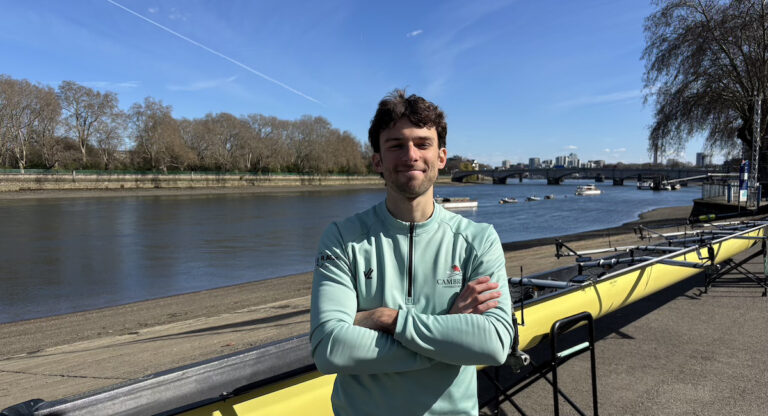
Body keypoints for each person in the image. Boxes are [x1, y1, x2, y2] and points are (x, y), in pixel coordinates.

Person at [310, 89, 513, 415]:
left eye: (422, 143)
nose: (410, 155)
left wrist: (385, 319)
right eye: (395, 145)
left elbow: (494, 343)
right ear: (377, 160)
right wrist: (448, 330)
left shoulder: (479, 239)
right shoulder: (342, 239)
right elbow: (330, 349)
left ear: (442, 158)